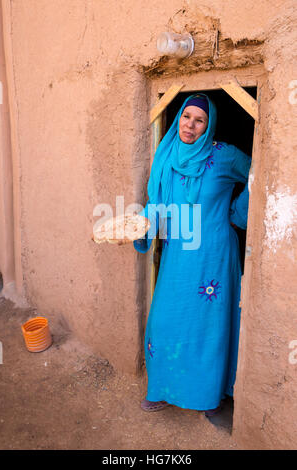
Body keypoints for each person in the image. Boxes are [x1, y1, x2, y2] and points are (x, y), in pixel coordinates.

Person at [133, 93, 251, 418]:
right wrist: (138, 228)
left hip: (214, 254)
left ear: (208, 124)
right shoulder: (168, 154)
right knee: (165, 319)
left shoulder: (224, 156)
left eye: (199, 120)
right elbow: (156, 202)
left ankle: (209, 395)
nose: (190, 125)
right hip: (178, 255)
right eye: (186, 117)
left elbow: (259, 173)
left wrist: (236, 214)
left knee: (208, 327)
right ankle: (162, 388)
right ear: (179, 118)